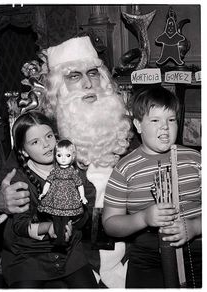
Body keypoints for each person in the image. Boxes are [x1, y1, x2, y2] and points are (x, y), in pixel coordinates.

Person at [0, 36, 133, 287]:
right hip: (66, 262)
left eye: (93, 73)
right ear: (57, 87)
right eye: (74, 76)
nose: (87, 84)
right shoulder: (42, 138)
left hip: (127, 261)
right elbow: (10, 190)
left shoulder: (126, 132)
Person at [102, 85, 202, 288]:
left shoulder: (195, 159)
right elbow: (111, 224)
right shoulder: (124, 169)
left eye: (171, 120)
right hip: (147, 253)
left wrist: (195, 227)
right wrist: (144, 217)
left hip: (198, 247)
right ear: (138, 125)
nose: (165, 127)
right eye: (155, 120)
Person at [0, 110, 98, 288]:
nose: (46, 145)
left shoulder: (73, 171)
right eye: (35, 142)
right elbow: (20, 225)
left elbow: (86, 213)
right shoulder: (19, 181)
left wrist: (74, 216)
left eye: (49, 136)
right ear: (24, 151)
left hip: (69, 255)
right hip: (28, 259)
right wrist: (49, 227)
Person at [38, 139, 88, 246]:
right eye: (59, 155)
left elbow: (79, 184)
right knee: (55, 219)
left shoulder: (72, 172)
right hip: (55, 198)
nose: (63, 159)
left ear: (73, 156)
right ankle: (57, 239)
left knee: (66, 222)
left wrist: (83, 196)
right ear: (55, 156)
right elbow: (48, 182)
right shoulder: (55, 171)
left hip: (69, 199)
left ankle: (63, 239)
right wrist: (43, 193)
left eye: (68, 155)